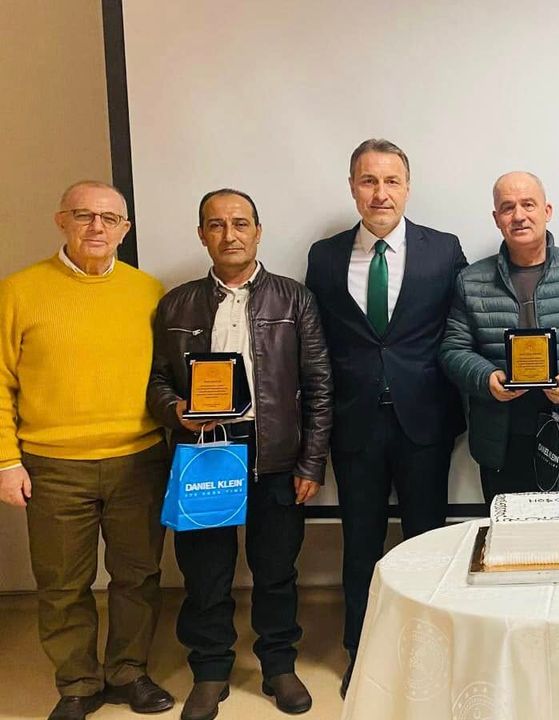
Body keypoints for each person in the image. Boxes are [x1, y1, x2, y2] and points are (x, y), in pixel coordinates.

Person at [148, 189, 332, 719]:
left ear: (258, 231)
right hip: (203, 451)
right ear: (202, 234)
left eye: (240, 223)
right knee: (205, 572)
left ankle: (278, 665)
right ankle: (210, 670)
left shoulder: (294, 299)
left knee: (276, 569)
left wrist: (311, 461)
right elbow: (156, 381)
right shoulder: (177, 303)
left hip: (273, 453)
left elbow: (319, 385)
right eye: (216, 225)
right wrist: (176, 409)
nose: (229, 235)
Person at [0, 181, 174, 720]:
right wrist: (6, 461)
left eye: (109, 218)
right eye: (83, 215)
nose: (97, 227)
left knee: (138, 575)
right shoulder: (18, 290)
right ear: (61, 221)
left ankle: (128, 672)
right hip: (53, 467)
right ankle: (77, 683)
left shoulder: (149, 292)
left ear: (125, 229)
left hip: (138, 460)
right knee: (62, 583)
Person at [305, 139, 466, 696]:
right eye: (369, 181)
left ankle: (429, 651)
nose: (380, 193)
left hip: (425, 421)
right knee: (360, 545)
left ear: (408, 187)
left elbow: (459, 330)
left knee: (427, 542)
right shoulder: (324, 257)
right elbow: (319, 342)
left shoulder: (443, 250)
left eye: (391, 181)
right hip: (354, 424)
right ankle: (361, 649)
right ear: (352, 187)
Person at [441, 171, 559, 501]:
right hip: (503, 439)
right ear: (496, 218)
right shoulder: (471, 281)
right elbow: (453, 349)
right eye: (508, 207)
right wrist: (486, 378)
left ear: (547, 211)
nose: (519, 215)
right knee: (509, 530)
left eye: (528, 204)